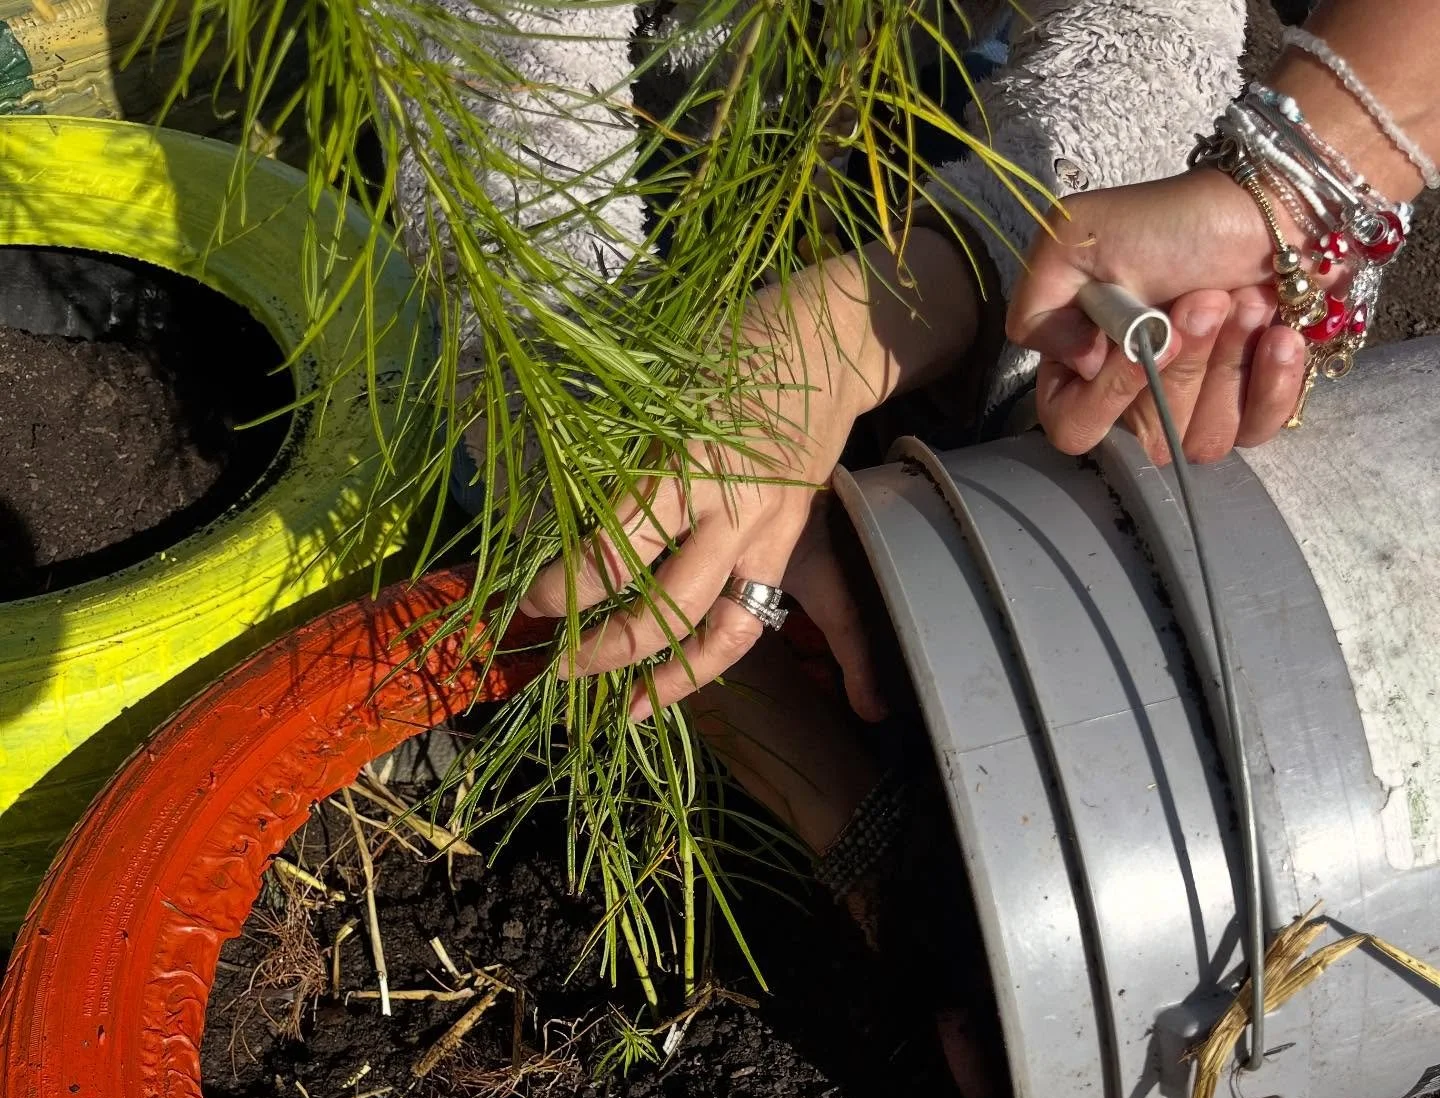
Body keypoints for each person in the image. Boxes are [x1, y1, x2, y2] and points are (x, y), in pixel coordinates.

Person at [521, 0, 1440, 728]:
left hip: (930, 154)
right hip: (638, 183)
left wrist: (875, 314)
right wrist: (627, 402)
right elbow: (506, 77)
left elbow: (1149, 29)